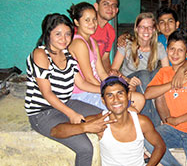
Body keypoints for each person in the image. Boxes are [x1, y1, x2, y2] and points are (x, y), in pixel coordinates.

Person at [24, 13, 117, 166]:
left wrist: (106, 91)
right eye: (58, 34)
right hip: (43, 112)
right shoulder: (40, 54)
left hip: (66, 103)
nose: (64, 38)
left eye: (68, 34)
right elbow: (46, 93)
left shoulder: (67, 54)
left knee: (108, 117)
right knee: (85, 148)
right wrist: (71, 114)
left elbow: (81, 84)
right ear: (48, 34)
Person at [51, 76, 166, 166]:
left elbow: (160, 146)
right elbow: (55, 131)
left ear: (128, 96)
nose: (116, 100)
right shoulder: (99, 121)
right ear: (103, 101)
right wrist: (84, 127)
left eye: (120, 93)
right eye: (109, 95)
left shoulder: (141, 122)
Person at [144, 30, 187, 166]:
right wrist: (172, 84)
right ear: (167, 50)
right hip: (172, 130)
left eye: (180, 50)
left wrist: (177, 120)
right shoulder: (164, 73)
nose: (175, 54)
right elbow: (148, 94)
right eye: (172, 49)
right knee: (146, 137)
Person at [111, 12, 169, 127]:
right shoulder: (127, 45)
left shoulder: (159, 47)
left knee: (156, 73)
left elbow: (167, 71)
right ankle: (153, 125)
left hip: (145, 83)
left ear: (154, 30)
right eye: (142, 27)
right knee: (144, 74)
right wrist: (127, 80)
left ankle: (155, 122)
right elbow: (113, 71)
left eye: (149, 27)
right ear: (136, 29)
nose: (146, 31)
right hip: (128, 82)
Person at [92, 0, 119, 72]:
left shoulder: (110, 31)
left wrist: (109, 77)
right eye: (105, 4)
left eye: (114, 5)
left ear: (116, 10)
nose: (110, 8)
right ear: (96, 6)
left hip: (97, 72)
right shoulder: (86, 27)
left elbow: (105, 58)